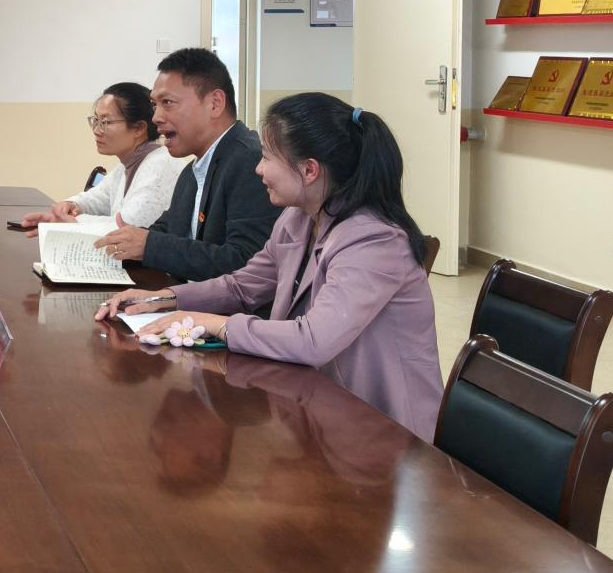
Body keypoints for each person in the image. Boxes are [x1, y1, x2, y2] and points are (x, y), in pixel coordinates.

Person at [98, 93, 443, 439]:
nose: (258, 169)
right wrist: (164, 299)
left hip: (386, 435)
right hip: (320, 412)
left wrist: (214, 324)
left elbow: (314, 340)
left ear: (309, 170)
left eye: (266, 157)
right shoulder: (298, 219)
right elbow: (242, 286)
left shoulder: (373, 240)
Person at [95, 47, 280, 278]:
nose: (156, 117)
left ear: (215, 103)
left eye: (168, 103)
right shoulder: (192, 172)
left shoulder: (250, 162)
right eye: (154, 105)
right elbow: (165, 231)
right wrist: (126, 240)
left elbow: (246, 263)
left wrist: (149, 245)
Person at [24, 81, 183, 232]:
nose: (96, 130)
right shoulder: (128, 164)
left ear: (139, 128)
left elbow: (128, 228)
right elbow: (98, 198)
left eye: (106, 122)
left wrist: (72, 222)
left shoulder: (160, 166)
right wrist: (72, 205)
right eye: (96, 120)